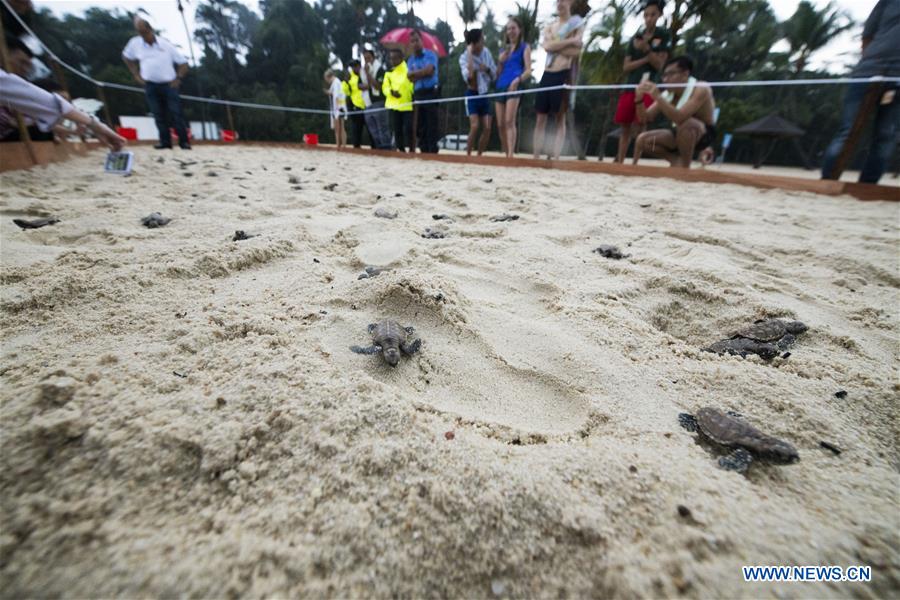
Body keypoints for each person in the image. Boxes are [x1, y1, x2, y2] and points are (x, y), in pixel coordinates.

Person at [821, 0, 899, 184]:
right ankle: (828, 181)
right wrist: (871, 62)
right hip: (869, 70)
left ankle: (868, 185)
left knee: (886, 135)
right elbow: (867, 34)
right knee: (850, 130)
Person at [0, 68, 125, 150]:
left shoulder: (18, 97)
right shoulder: (16, 107)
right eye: (23, 63)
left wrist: (87, 125)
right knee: (39, 130)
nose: (28, 68)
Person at [632, 56, 716, 168]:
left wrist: (657, 97)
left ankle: (684, 167)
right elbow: (645, 118)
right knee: (643, 140)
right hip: (678, 132)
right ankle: (675, 161)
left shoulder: (701, 88)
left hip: (703, 135)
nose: (665, 79)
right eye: (664, 75)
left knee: (688, 124)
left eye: (670, 74)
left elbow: (680, 118)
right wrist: (639, 99)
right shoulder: (667, 94)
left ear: (685, 74)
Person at [122, 15, 191, 150]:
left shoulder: (166, 45)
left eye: (144, 32)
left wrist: (178, 78)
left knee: (176, 113)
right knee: (158, 114)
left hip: (169, 84)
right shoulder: (134, 43)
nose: (143, 35)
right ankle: (165, 142)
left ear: (150, 29)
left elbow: (183, 63)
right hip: (150, 85)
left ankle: (184, 142)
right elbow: (126, 57)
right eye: (139, 32)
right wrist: (135, 73)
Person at [613, 0, 669, 163]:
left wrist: (646, 49)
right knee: (624, 126)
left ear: (659, 15)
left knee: (641, 125)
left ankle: (636, 162)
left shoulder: (663, 35)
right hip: (631, 86)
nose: (648, 18)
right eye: (646, 15)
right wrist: (646, 58)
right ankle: (621, 160)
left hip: (648, 87)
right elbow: (626, 66)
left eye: (652, 15)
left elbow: (660, 64)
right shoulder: (635, 38)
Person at [533, 0, 583, 160]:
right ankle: (535, 156)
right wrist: (569, 41)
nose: (560, 3)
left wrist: (556, 44)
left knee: (560, 117)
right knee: (540, 117)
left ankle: (555, 157)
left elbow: (576, 51)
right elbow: (547, 47)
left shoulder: (577, 23)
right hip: (547, 73)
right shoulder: (550, 26)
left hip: (564, 73)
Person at [494, 17, 532, 158]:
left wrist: (518, 80)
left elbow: (528, 70)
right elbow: (497, 73)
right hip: (500, 86)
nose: (510, 31)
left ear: (519, 29)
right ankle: (505, 152)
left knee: (509, 121)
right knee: (500, 124)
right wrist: (500, 61)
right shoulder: (503, 50)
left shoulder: (525, 47)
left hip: (514, 86)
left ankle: (510, 154)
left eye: (513, 28)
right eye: (508, 28)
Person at [458, 28, 496, 157]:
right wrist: (469, 54)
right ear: (474, 43)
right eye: (481, 40)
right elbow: (469, 79)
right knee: (474, 127)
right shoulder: (463, 58)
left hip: (484, 94)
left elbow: (494, 75)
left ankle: (479, 155)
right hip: (472, 95)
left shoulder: (486, 53)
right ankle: (468, 155)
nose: (484, 42)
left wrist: (487, 70)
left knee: (487, 128)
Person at [406, 30, 440, 153]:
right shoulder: (410, 60)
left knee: (432, 121)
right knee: (420, 123)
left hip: (431, 92)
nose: (415, 43)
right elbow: (409, 78)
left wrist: (416, 74)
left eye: (417, 40)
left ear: (422, 41)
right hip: (418, 93)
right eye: (412, 41)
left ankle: (432, 149)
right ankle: (423, 149)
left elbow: (430, 71)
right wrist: (423, 72)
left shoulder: (431, 55)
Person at [360, 44, 392, 150]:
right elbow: (359, 85)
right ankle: (379, 148)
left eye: (368, 58)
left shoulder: (380, 69)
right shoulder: (362, 71)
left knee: (382, 127)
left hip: (379, 102)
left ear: (373, 57)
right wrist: (368, 81)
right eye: (365, 59)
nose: (367, 60)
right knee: (373, 129)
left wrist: (368, 74)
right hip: (368, 103)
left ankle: (387, 148)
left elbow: (377, 86)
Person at [383, 48, 414, 152]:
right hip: (394, 105)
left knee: (409, 128)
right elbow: (385, 88)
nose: (393, 61)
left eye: (395, 58)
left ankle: (411, 148)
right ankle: (401, 149)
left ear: (401, 58)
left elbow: (412, 86)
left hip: (407, 104)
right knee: (397, 129)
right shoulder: (389, 73)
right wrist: (391, 92)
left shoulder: (409, 69)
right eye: (391, 58)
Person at [346, 60, 369, 148]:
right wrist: (345, 82)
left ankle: (375, 148)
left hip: (366, 105)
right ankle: (356, 147)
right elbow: (346, 92)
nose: (354, 68)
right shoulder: (350, 77)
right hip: (355, 106)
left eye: (355, 66)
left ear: (360, 66)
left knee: (370, 129)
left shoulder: (364, 74)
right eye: (352, 67)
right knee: (356, 130)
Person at [324, 69, 347, 149]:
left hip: (338, 107)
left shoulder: (336, 82)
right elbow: (332, 92)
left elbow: (336, 96)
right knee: (340, 127)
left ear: (328, 77)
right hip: (339, 107)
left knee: (339, 127)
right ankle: (341, 145)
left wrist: (336, 109)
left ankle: (339, 145)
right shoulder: (335, 82)